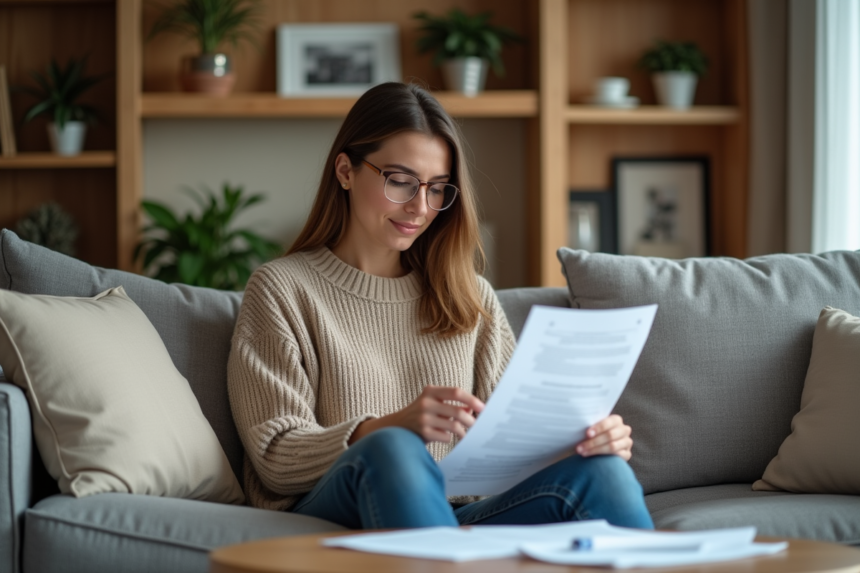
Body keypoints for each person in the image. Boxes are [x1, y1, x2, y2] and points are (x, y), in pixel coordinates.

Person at [227, 82, 653, 530]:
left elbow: (508, 445)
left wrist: (580, 443)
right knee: (394, 448)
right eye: (400, 181)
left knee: (603, 473)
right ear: (345, 171)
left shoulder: (469, 295)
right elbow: (275, 455)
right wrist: (389, 426)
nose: (419, 207)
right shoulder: (281, 289)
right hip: (336, 506)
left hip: (459, 514)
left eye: (436, 189)